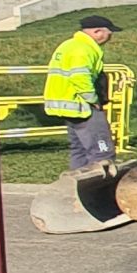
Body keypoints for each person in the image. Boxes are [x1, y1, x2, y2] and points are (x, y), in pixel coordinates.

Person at [42, 15, 118, 171]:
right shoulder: (83, 49)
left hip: (65, 103)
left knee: (79, 147)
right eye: (109, 33)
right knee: (101, 148)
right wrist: (92, 99)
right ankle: (101, 180)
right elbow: (80, 76)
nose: (111, 37)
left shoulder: (68, 45)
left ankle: (77, 177)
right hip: (81, 104)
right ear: (98, 32)